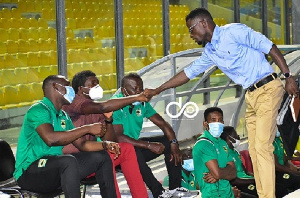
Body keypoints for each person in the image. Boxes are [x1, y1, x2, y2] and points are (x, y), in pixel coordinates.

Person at [144, 7, 299, 198]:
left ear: (203, 23)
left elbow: (268, 46)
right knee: (254, 149)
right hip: (251, 96)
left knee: (261, 146)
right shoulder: (210, 52)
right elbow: (188, 73)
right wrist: (158, 90)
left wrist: (288, 75)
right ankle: (264, 193)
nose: (191, 35)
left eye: (191, 29)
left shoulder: (233, 31)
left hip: (268, 87)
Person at [13, 75, 117, 198]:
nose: (71, 90)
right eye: (67, 85)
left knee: (102, 157)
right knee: (68, 161)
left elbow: (82, 144)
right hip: (29, 172)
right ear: (56, 87)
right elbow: (51, 139)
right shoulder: (38, 110)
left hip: (54, 167)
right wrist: (87, 129)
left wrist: (105, 144)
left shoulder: (63, 115)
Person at [62, 70, 148, 198]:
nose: (97, 87)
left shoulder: (96, 109)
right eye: (93, 84)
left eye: (98, 83)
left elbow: (111, 141)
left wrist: (108, 120)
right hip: (72, 161)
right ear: (81, 89)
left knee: (126, 149)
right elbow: (103, 107)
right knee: (104, 158)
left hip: (92, 156)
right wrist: (137, 97)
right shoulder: (74, 102)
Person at [112, 73, 182, 198]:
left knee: (167, 142)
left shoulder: (142, 104)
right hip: (117, 153)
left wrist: (174, 143)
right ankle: (158, 192)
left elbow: (163, 124)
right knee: (133, 151)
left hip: (133, 146)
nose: (139, 91)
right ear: (124, 91)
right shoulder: (116, 104)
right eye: (135, 89)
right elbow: (118, 137)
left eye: (141, 88)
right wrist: (148, 145)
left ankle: (175, 189)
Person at [192, 107, 238, 198]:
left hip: (228, 194)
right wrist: (224, 172)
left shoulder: (222, 143)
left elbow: (234, 173)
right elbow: (218, 173)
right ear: (206, 124)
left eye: (220, 120)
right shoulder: (203, 144)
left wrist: (219, 175)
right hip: (212, 195)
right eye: (213, 120)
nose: (217, 123)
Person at [273, 130, 300, 196]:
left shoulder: (279, 140)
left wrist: (296, 169)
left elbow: (285, 159)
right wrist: (292, 172)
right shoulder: (270, 144)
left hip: (284, 170)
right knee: (297, 180)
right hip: (276, 172)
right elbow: (276, 166)